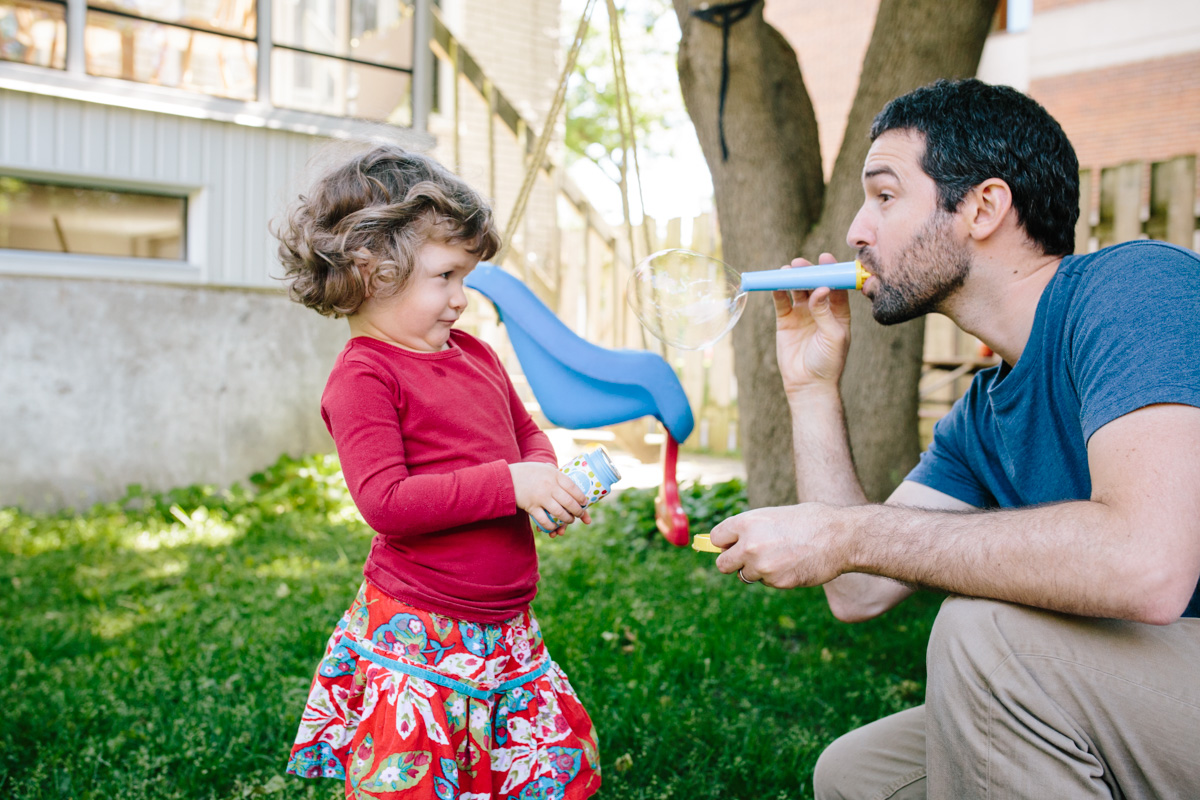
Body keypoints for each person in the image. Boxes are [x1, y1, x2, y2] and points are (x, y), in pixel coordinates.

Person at [709, 79, 1200, 799]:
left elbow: (1146, 567)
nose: (856, 229)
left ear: (983, 207)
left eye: (884, 195)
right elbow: (859, 591)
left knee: (990, 634)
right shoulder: (981, 416)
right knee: (858, 776)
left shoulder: (1136, 288)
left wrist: (853, 535)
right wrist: (810, 391)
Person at [274, 145, 602, 799]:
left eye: (465, 279)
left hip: (507, 626)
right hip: (421, 634)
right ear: (371, 270)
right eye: (446, 277)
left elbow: (526, 434)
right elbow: (386, 501)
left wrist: (541, 482)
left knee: (551, 775)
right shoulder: (365, 375)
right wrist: (510, 483)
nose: (462, 300)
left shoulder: (474, 354)